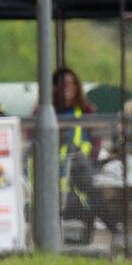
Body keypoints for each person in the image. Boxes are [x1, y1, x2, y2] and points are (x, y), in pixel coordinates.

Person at [41, 67, 103, 239]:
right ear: (53, 88)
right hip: (53, 176)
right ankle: (115, 231)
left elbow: (96, 141)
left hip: (81, 171)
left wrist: (89, 161)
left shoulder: (86, 111)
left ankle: (111, 230)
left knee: (91, 195)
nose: (70, 87)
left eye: (72, 83)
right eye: (64, 84)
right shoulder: (43, 112)